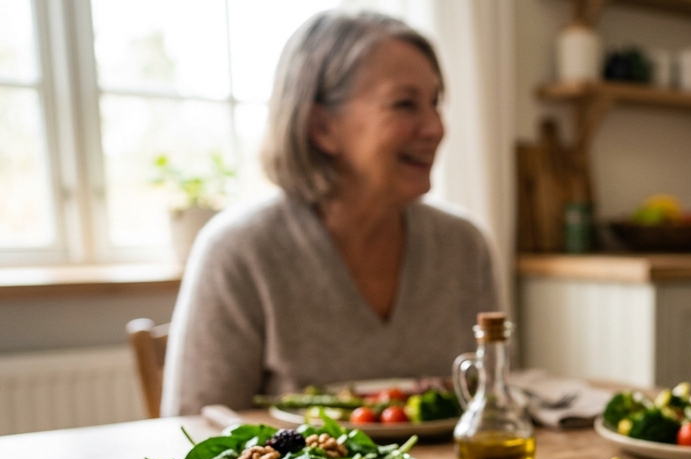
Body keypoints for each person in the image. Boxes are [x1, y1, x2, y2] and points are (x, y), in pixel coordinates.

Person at [162, 11, 497, 416]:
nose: (435, 128)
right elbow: (196, 427)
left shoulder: (464, 245)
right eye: (405, 104)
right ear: (322, 127)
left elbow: (493, 404)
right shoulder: (238, 251)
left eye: (435, 103)